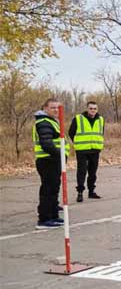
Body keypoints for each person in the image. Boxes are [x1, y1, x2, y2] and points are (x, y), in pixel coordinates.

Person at [33, 98, 68, 229]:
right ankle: (44, 219)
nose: (56, 110)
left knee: (54, 189)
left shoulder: (52, 121)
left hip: (53, 160)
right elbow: (46, 143)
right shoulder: (44, 122)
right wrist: (60, 154)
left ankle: (53, 215)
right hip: (48, 160)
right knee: (48, 190)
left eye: (57, 108)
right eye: (52, 107)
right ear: (45, 108)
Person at [69, 100, 105, 202]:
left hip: (95, 149)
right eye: (91, 108)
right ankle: (80, 192)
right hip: (82, 150)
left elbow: (101, 132)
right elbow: (71, 132)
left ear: (97, 109)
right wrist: (77, 143)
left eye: (95, 109)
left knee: (93, 172)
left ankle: (91, 192)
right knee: (82, 171)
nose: (93, 110)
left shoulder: (101, 119)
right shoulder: (78, 118)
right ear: (87, 109)